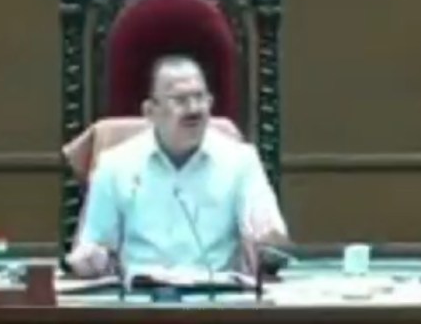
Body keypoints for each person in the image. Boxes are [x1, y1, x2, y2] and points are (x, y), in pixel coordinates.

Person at [65, 54, 288, 279]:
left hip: (219, 293)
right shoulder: (114, 165)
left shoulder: (242, 161)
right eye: (180, 100)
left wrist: (269, 240)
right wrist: (91, 259)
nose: (193, 109)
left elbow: (271, 239)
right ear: (150, 112)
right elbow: (95, 246)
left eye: (200, 98)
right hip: (139, 295)